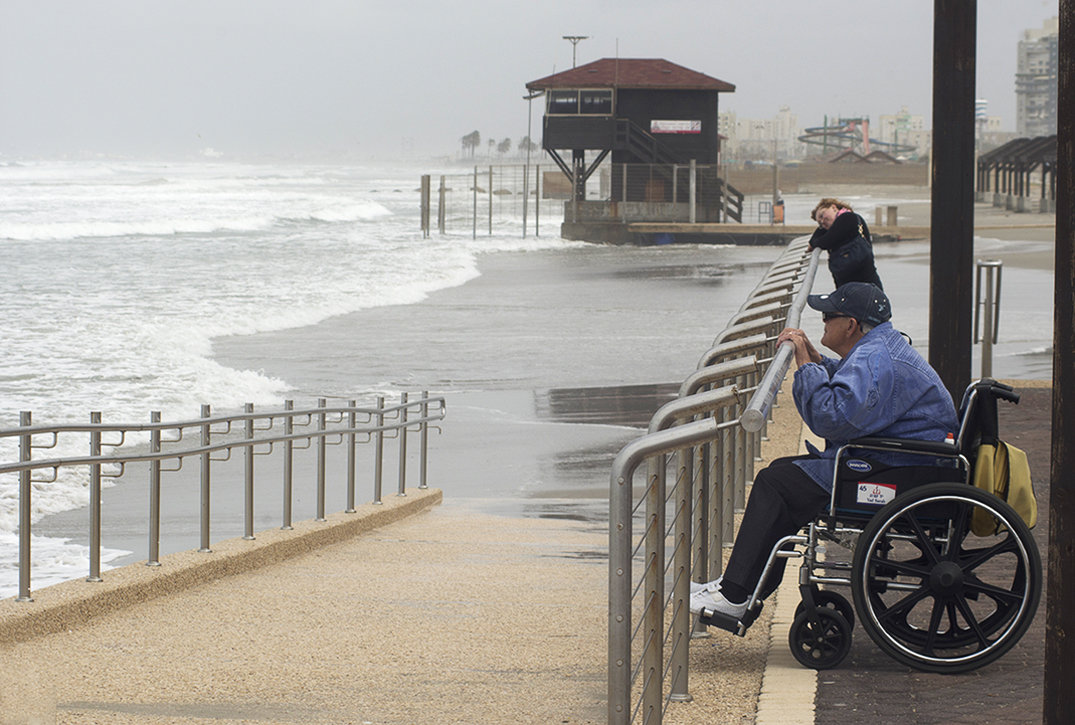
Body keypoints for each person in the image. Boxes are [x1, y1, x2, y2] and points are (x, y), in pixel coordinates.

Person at [689, 282, 958, 621]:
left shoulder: (877, 357)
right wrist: (819, 362)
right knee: (785, 476)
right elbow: (856, 390)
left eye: (829, 315)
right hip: (905, 463)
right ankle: (739, 590)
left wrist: (805, 364)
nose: (823, 321)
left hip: (898, 470)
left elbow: (831, 417)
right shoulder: (879, 347)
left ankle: (736, 594)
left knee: (777, 482)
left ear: (851, 325)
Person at [808, 198, 884, 289]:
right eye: (820, 223)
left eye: (822, 215)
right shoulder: (852, 220)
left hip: (862, 283)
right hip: (862, 283)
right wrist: (820, 231)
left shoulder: (847, 218)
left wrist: (814, 242)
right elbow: (818, 238)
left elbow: (824, 242)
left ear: (833, 207)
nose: (822, 221)